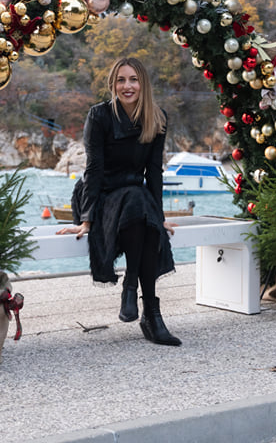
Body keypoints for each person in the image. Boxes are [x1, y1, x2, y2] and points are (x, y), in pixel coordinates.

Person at [57, 57, 181, 346]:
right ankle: (150, 313)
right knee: (138, 202)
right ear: (113, 84)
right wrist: (86, 220)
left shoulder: (157, 117)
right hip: (98, 195)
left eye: (133, 79)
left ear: (143, 84)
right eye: (121, 80)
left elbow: (154, 172)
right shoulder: (99, 115)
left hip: (134, 200)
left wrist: (159, 216)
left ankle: (136, 293)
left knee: (145, 213)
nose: (128, 86)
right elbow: (93, 169)